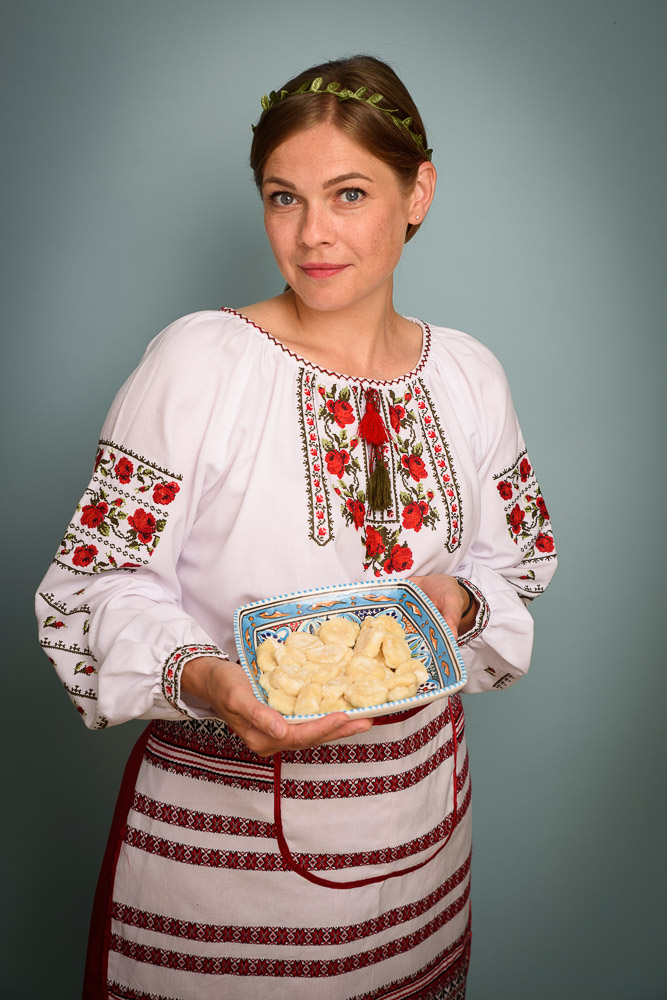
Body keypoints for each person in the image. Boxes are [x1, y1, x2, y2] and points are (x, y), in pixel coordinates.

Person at [36, 54, 557, 1000]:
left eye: (348, 194)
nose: (313, 233)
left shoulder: (468, 376)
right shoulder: (200, 363)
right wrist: (209, 680)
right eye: (285, 198)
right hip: (223, 861)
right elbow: (92, 584)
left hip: (422, 848)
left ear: (417, 192)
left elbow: (515, 562)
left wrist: (456, 599)